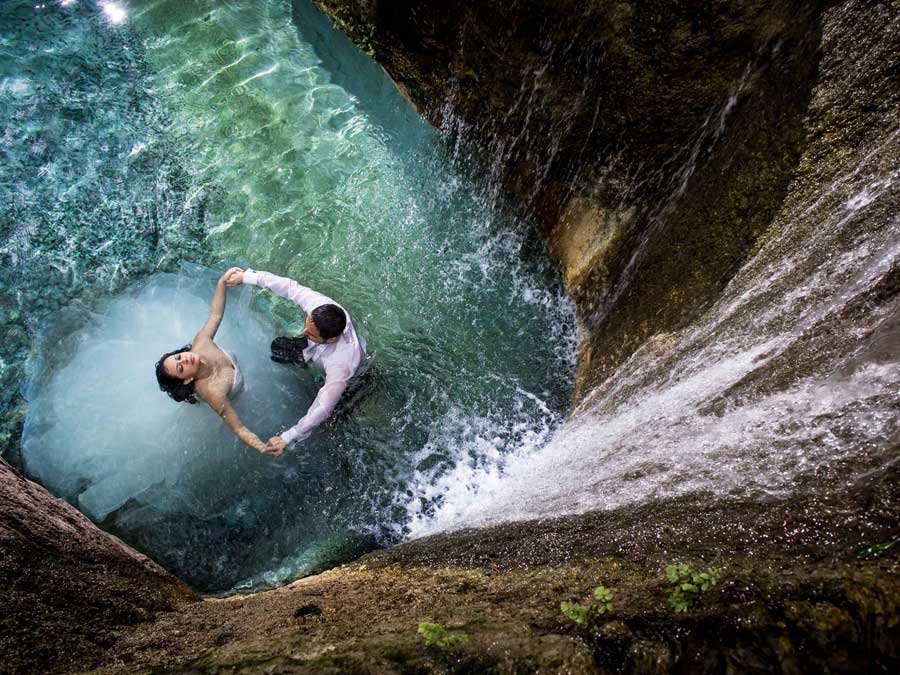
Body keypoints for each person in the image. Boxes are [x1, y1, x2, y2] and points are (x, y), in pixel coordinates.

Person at [225, 267, 368, 457]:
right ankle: (307, 360)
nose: (302, 332)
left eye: (309, 333)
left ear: (331, 339)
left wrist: (288, 436)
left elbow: (323, 407)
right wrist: (246, 277)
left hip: (349, 380)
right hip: (316, 350)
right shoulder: (320, 306)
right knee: (278, 348)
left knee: (333, 418)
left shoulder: (341, 365)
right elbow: (290, 287)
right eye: (306, 325)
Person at [154, 268, 275, 456]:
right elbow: (238, 428)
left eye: (178, 357)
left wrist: (221, 282)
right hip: (240, 394)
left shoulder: (201, 343)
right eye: (181, 367)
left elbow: (216, 315)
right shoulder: (213, 392)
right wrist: (261, 446)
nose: (184, 358)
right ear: (186, 380)